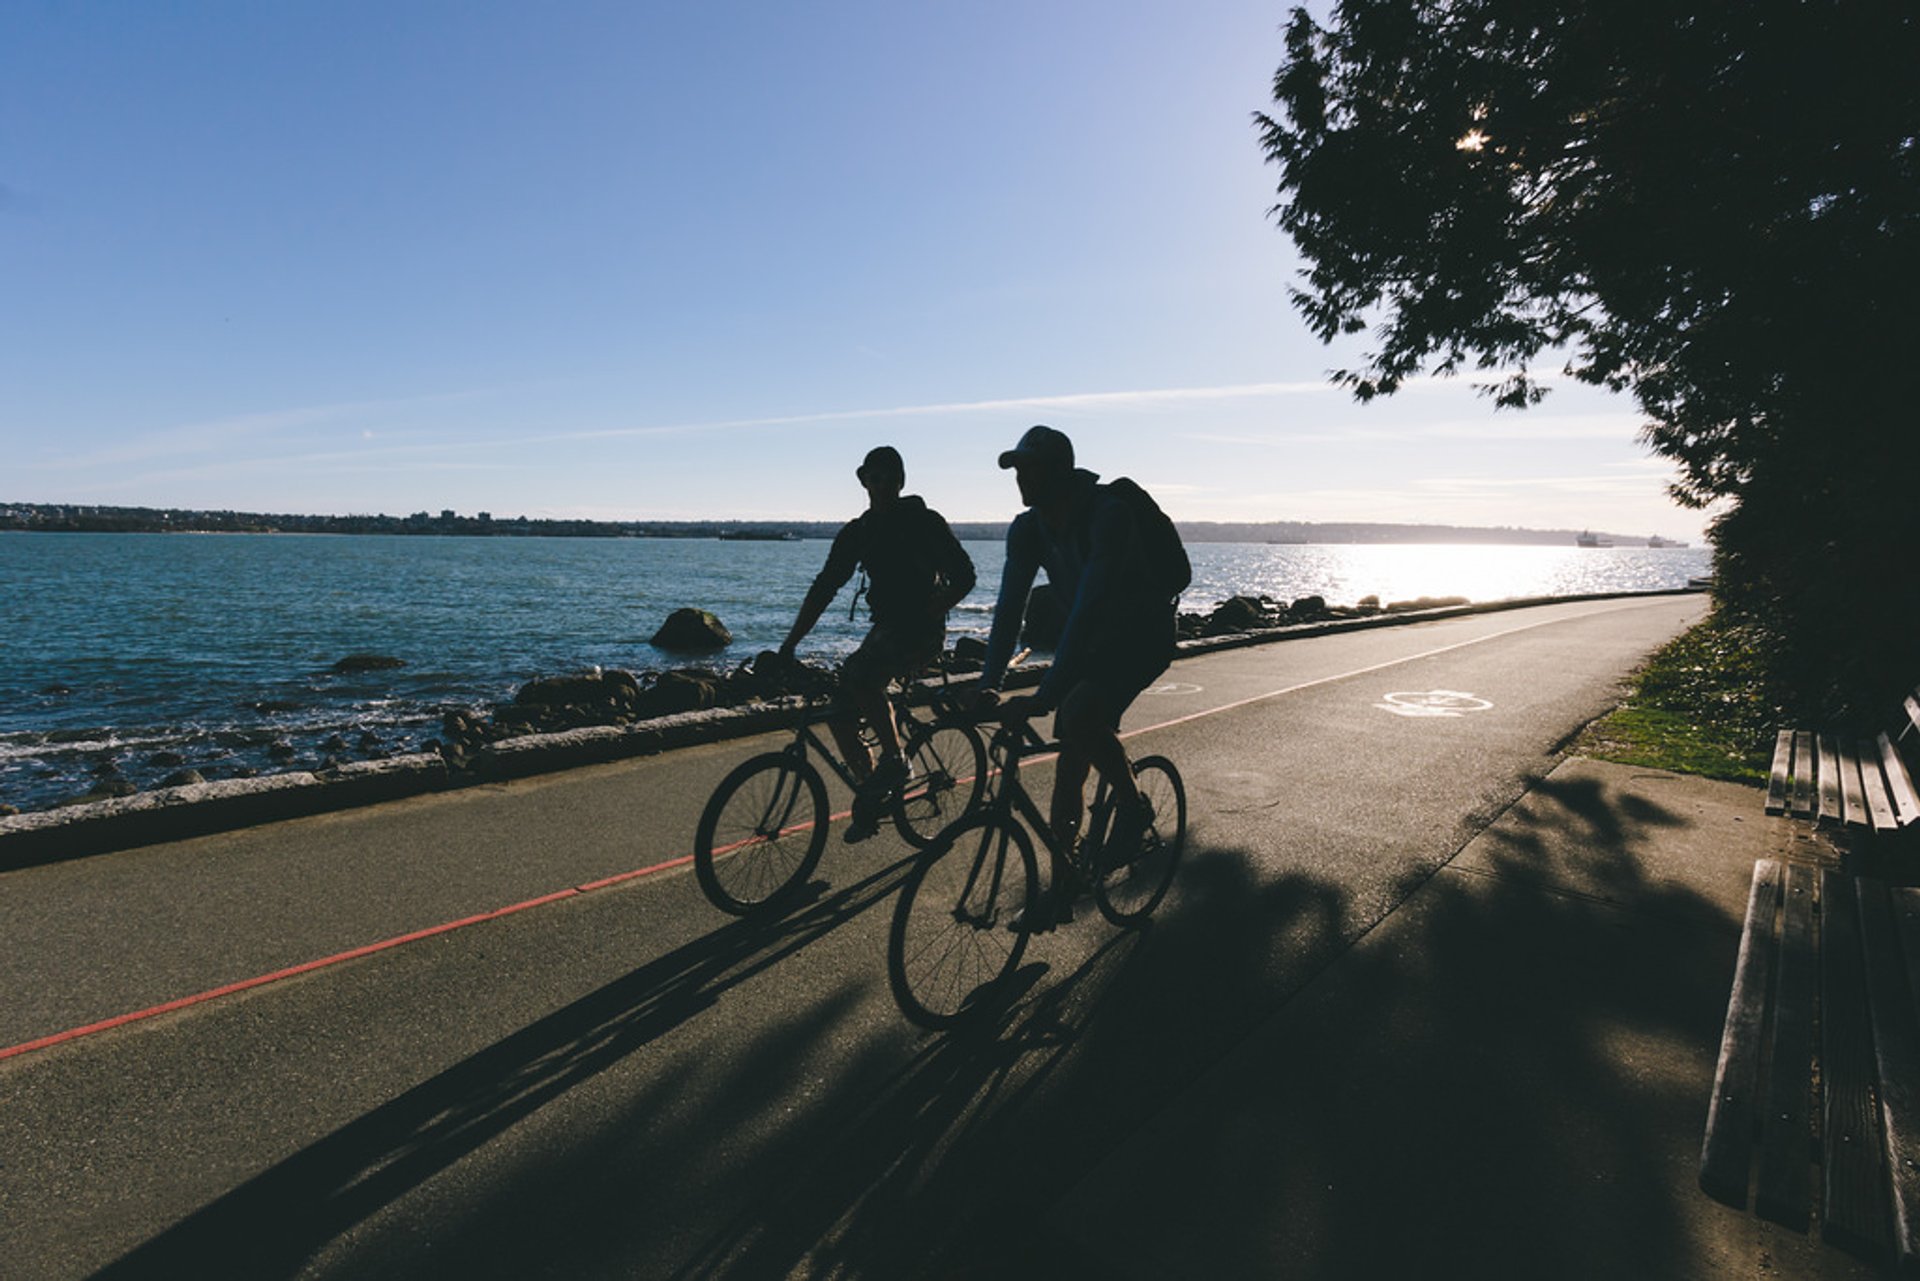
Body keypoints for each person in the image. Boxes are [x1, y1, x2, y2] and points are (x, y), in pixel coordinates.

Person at [976, 424, 1184, 924]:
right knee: (1070, 754)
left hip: (1142, 635)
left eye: (1029, 467)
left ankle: (1133, 808)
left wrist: (1045, 694)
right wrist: (989, 681)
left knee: (1079, 715)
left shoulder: (1106, 514)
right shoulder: (1027, 529)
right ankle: (1064, 887)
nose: (1020, 478)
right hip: (1092, 640)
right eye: (1016, 469)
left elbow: (1089, 605)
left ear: (1059, 472)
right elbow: (1009, 611)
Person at [779, 445, 976, 839]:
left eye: (890, 479)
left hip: (921, 631)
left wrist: (936, 608)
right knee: (839, 710)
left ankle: (896, 759)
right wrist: (789, 646)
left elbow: (965, 575)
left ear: (901, 483)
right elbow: (824, 588)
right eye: (875, 478)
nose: (882, 486)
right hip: (887, 629)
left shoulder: (925, 522)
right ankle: (873, 794)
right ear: (864, 482)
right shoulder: (859, 532)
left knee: (861, 674)